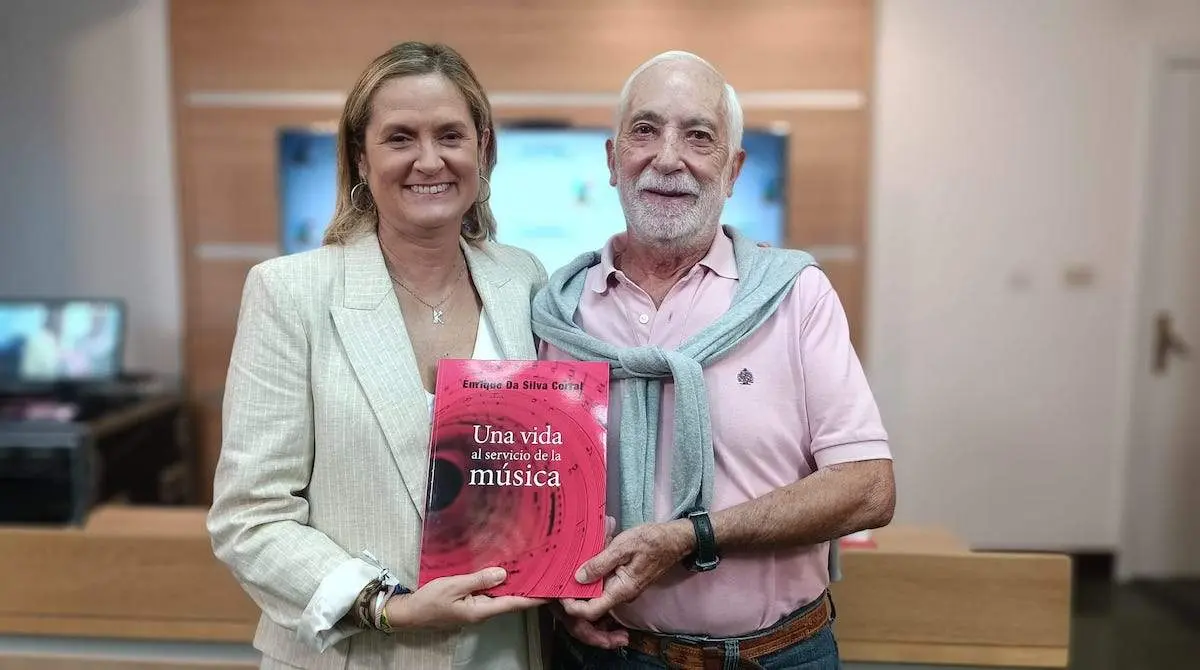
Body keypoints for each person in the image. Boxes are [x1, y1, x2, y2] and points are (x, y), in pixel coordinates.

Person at [534, 51, 896, 669]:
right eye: (644, 131)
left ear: (733, 169)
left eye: (698, 137)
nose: (668, 157)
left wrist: (693, 535)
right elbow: (534, 491)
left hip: (776, 656)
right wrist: (555, 594)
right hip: (607, 656)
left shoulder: (795, 295)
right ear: (612, 160)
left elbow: (869, 490)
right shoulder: (559, 313)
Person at [207, 42, 550, 670]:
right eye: (399, 138)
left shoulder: (524, 280)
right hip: (361, 652)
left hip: (504, 652)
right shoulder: (289, 293)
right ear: (360, 159)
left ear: (484, 149)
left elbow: (541, 464)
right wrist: (383, 604)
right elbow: (249, 517)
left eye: (451, 134)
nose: (429, 160)